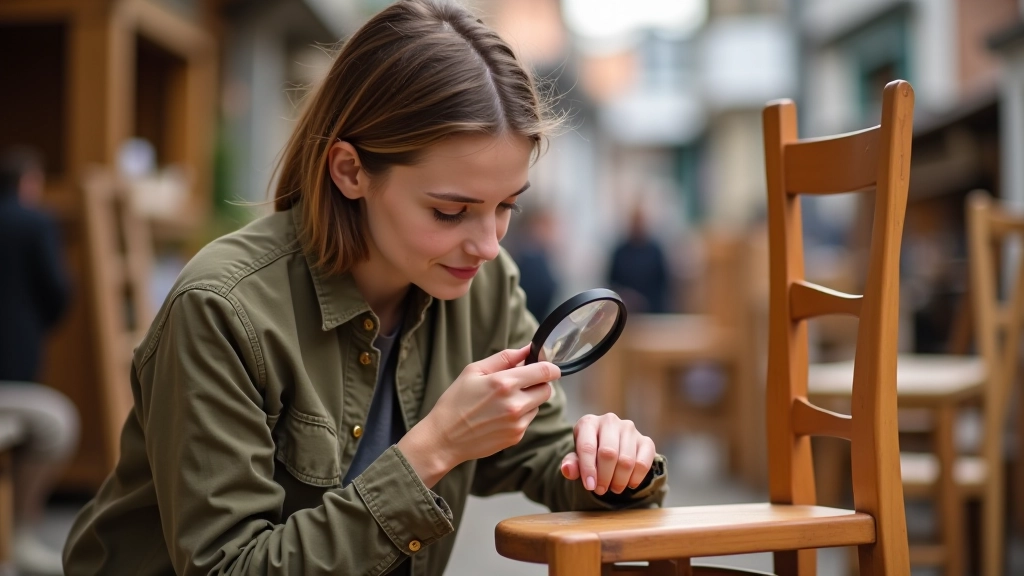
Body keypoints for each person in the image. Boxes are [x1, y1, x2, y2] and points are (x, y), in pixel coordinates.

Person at [62, 2, 667, 574]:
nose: (488, 245)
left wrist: (616, 464)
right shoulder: (224, 309)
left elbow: (540, 453)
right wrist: (432, 449)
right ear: (350, 170)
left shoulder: (481, 286)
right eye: (450, 212)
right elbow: (229, 565)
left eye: (507, 205)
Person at [0, 146, 79, 576]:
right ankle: (20, 532)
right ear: (30, 183)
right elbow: (57, 292)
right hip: (13, 376)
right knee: (57, 421)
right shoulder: (35, 221)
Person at [608, 205, 671, 313]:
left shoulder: (655, 251)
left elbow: (664, 283)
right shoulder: (620, 252)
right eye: (635, 221)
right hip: (627, 312)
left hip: (652, 311)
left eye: (640, 221)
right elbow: (612, 282)